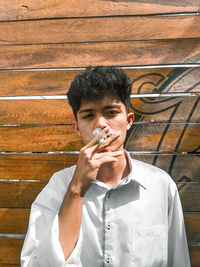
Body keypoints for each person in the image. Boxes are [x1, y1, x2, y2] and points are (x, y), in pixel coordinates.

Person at [21, 66, 191, 267]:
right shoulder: (58, 186)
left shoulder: (160, 186)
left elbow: (178, 260)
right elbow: (36, 264)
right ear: (76, 127)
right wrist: (76, 190)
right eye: (88, 116)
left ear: (128, 121)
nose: (101, 124)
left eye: (111, 112)